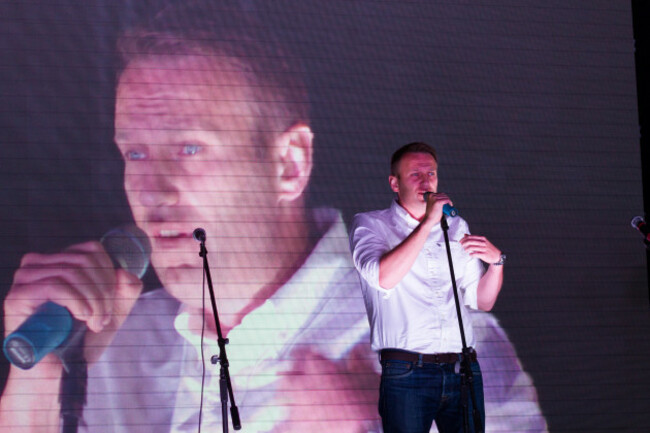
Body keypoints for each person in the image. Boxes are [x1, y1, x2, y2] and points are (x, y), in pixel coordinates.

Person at [0, 3, 546, 433]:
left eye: (189, 149)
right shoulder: (112, 342)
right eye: (134, 153)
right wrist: (38, 380)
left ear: (289, 164)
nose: (150, 190)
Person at [349, 142, 532, 433]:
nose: (426, 182)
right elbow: (383, 277)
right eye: (415, 175)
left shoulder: (456, 226)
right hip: (407, 371)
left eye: (431, 174)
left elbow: (482, 301)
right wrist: (427, 224)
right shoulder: (371, 224)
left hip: (462, 370)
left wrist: (497, 263)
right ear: (394, 183)